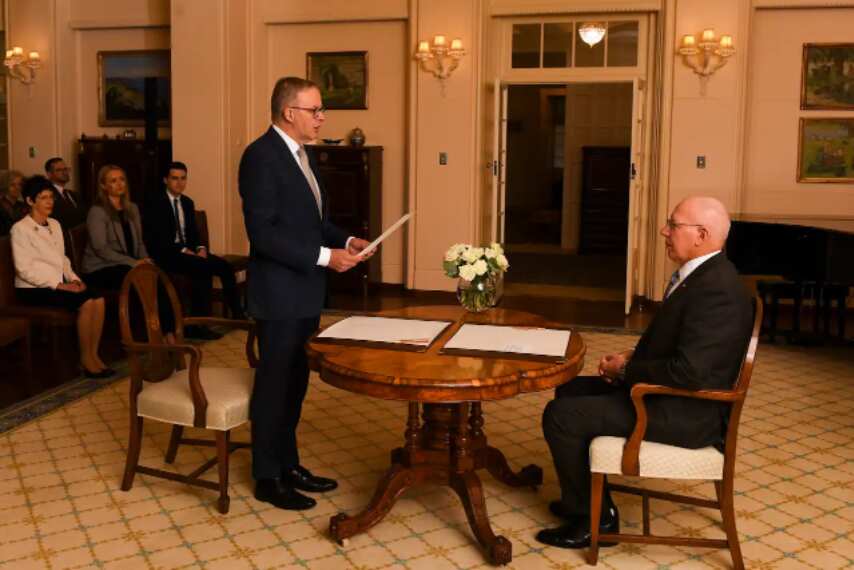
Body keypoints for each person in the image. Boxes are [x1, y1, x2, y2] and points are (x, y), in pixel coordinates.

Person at [536, 196, 753, 549]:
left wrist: (627, 370)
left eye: (674, 224)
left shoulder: (717, 292)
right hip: (670, 393)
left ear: (701, 235)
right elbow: (682, 348)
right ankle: (582, 500)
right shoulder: (704, 277)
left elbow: (691, 372)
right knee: (569, 390)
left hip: (687, 411)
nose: (664, 231)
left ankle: (594, 522)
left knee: (561, 416)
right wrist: (631, 357)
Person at [238, 76, 373, 511]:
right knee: (274, 386)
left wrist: (346, 241)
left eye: (321, 109)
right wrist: (324, 258)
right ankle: (266, 476)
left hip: (305, 291)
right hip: (278, 295)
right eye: (314, 110)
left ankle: (288, 464)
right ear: (288, 112)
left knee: (295, 383)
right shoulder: (260, 157)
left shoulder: (303, 156)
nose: (321, 117)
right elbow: (263, 235)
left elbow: (313, 222)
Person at [11, 175, 112, 379]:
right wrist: (58, 285)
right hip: (32, 290)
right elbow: (24, 269)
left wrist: (74, 278)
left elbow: (62, 259)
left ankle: (94, 354)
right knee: (85, 301)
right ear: (30, 201)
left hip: (58, 283)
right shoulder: (20, 229)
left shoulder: (55, 224)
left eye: (51, 197)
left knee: (98, 298)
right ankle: (85, 359)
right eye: (43, 198)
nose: (49, 202)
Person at [143, 161, 244, 340]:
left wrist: (201, 248)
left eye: (183, 178)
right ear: (165, 180)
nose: (179, 183)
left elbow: (194, 234)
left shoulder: (188, 203)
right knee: (202, 269)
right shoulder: (155, 202)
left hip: (189, 253)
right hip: (167, 254)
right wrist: (184, 250)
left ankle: (238, 316)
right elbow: (158, 239)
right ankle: (197, 326)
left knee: (224, 267)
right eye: (174, 178)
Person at [45, 157, 87, 229]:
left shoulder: (72, 194)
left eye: (66, 169)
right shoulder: (47, 195)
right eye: (59, 170)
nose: (65, 172)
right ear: (49, 174)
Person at [0, 170, 28, 235]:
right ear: (5, 186)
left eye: (20, 184)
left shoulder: (24, 206)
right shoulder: (1, 206)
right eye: (12, 185)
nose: (17, 188)